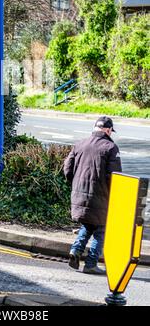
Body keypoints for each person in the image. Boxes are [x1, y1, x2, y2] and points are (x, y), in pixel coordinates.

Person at [63, 116, 122, 275]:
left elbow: (67, 169)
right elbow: (115, 176)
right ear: (108, 130)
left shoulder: (80, 144)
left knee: (89, 224)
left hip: (79, 193)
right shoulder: (110, 147)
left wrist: (76, 184)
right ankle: (91, 263)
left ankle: (75, 250)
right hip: (100, 195)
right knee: (101, 228)